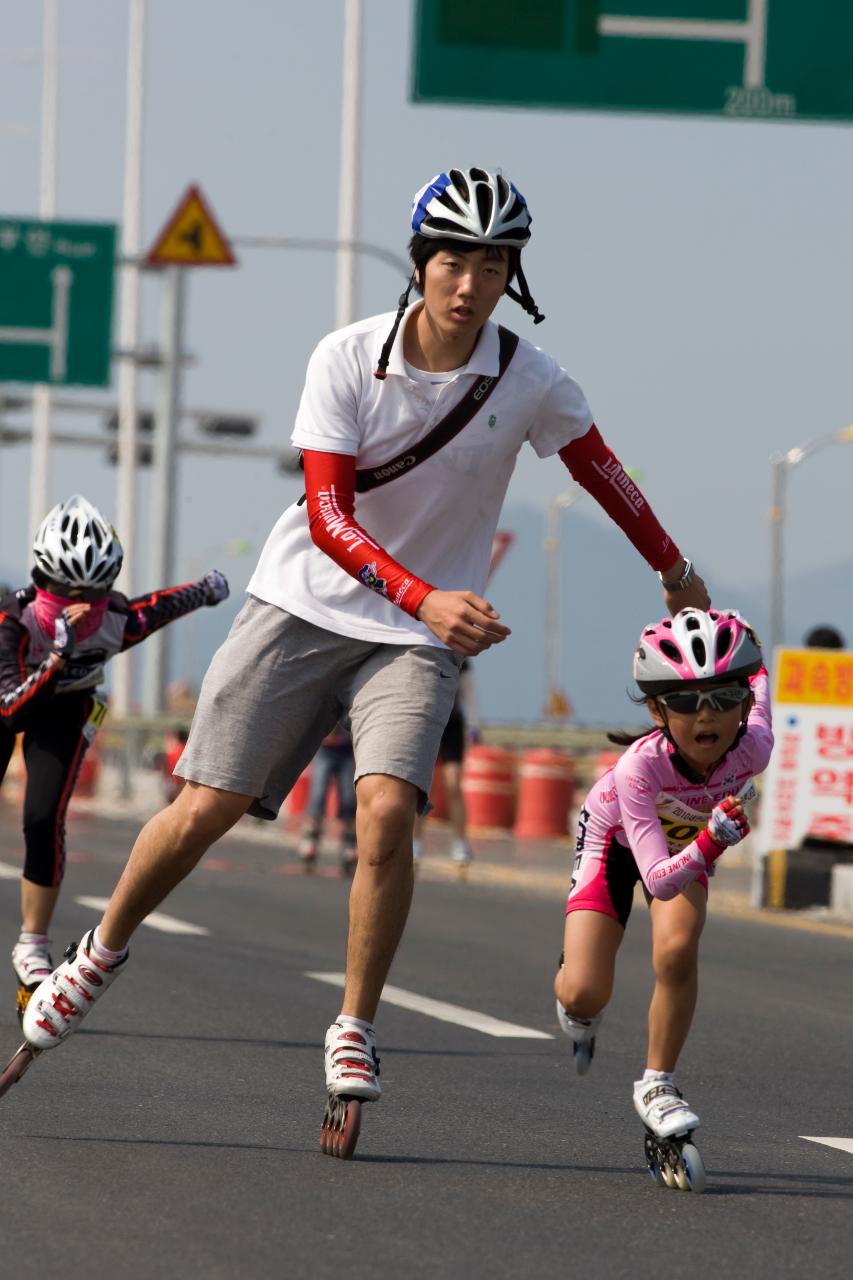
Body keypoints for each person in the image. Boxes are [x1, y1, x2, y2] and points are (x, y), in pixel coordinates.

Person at [22, 167, 710, 1147]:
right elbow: (328, 513)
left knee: (385, 808)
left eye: (490, 263)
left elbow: (601, 470)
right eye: (451, 258)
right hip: (300, 603)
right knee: (206, 804)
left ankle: (354, 1023)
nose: (467, 281)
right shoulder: (347, 358)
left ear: (511, 274)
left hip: (416, 637)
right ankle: (100, 948)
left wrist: (673, 567)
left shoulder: (529, 380)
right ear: (418, 260)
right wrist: (424, 589)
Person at [0, 494, 229, 1019]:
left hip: (69, 708)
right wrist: (58, 651)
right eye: (62, 591)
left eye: (95, 593)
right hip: (9, 700)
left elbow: (161, 605)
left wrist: (208, 589)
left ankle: (31, 944)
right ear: (41, 578)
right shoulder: (14, 621)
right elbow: (12, 713)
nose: (79, 604)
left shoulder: (115, 619)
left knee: (42, 816)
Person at [553, 609, 772, 1151]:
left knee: (677, 949)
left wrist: (753, 640)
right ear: (655, 709)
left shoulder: (755, 745)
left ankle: (658, 1084)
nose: (707, 715)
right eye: (684, 701)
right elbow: (658, 879)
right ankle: (574, 992)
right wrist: (711, 842)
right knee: (585, 991)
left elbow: (762, 676)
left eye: (723, 698)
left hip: (686, 845)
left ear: (744, 706)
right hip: (618, 842)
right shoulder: (638, 769)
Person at [413, 659, 479, 869]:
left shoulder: (461, 657)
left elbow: (470, 692)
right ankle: (415, 842)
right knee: (422, 787)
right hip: (426, 721)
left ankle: (460, 842)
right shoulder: (422, 652)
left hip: (453, 725)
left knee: (453, 785)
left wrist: (475, 726)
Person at [297, 725, 358, 874]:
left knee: (349, 799)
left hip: (348, 750)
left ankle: (349, 845)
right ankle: (310, 841)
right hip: (324, 749)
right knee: (317, 795)